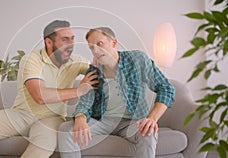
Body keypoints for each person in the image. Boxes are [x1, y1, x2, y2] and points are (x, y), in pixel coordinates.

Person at [0, 20, 100, 158]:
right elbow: (40, 96)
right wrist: (78, 91)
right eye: (65, 39)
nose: (71, 45)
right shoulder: (31, 59)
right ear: (49, 42)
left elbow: (102, 72)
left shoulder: (77, 61)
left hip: (52, 118)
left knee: (42, 144)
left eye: (72, 39)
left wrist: (105, 56)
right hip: (22, 114)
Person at [58, 27, 175, 158]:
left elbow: (166, 88)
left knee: (149, 132)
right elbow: (85, 102)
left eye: (99, 44)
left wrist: (152, 119)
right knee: (65, 130)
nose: (95, 51)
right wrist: (80, 117)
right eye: (91, 48)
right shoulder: (93, 71)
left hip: (132, 122)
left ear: (113, 43)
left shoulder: (137, 60)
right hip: (102, 121)